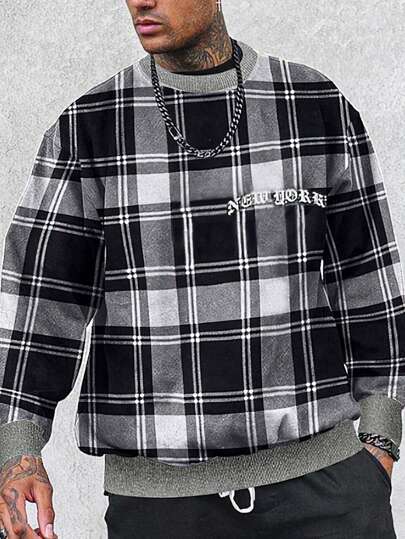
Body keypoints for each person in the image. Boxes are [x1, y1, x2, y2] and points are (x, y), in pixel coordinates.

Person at [0, 0, 404, 537]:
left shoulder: (314, 105)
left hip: (328, 493)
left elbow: (368, 279)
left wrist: (380, 437)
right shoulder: (89, 127)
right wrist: (18, 450)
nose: (141, 1)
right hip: (162, 510)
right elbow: (40, 303)